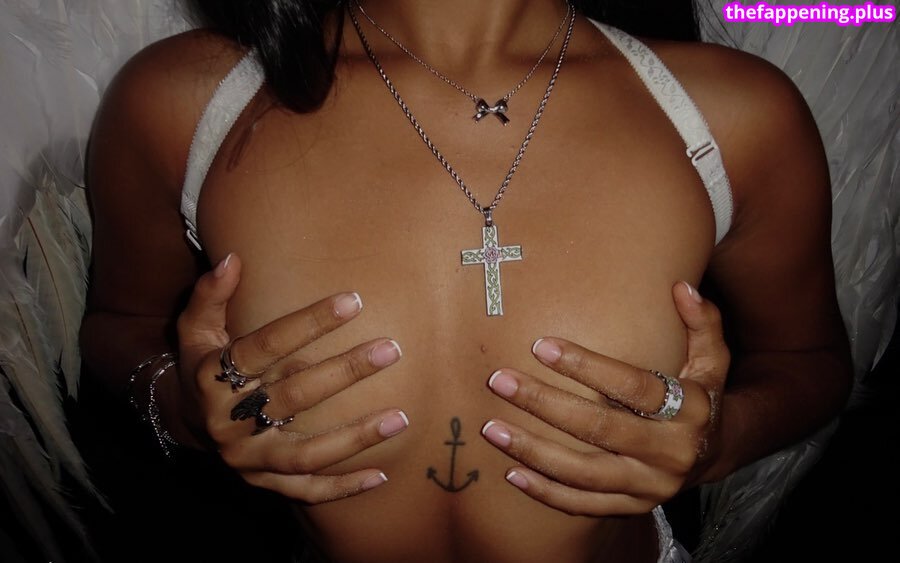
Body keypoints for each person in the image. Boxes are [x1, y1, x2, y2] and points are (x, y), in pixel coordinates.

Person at [79, 1, 853, 561]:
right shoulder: (185, 105)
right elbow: (116, 327)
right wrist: (180, 403)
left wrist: (722, 438)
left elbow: (812, 363)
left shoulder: (731, 118)